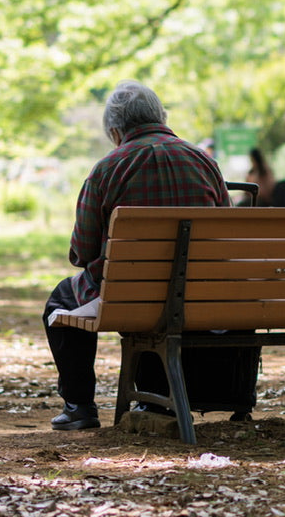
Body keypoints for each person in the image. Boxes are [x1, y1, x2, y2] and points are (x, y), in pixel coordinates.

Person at [42, 80, 231, 432]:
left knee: (60, 301)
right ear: (161, 116)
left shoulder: (106, 169)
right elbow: (226, 236)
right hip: (199, 291)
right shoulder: (205, 163)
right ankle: (156, 392)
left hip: (128, 293)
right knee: (165, 296)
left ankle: (79, 406)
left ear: (115, 130)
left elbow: (82, 253)